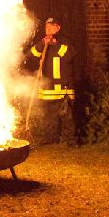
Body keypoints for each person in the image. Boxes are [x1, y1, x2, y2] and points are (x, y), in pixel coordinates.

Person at [28, 16, 77, 144]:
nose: (48, 28)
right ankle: (50, 140)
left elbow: (68, 56)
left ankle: (71, 141)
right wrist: (42, 44)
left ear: (58, 27)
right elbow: (31, 56)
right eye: (46, 26)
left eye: (52, 26)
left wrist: (54, 44)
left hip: (63, 89)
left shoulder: (65, 42)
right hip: (48, 90)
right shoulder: (43, 44)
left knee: (67, 117)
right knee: (49, 116)